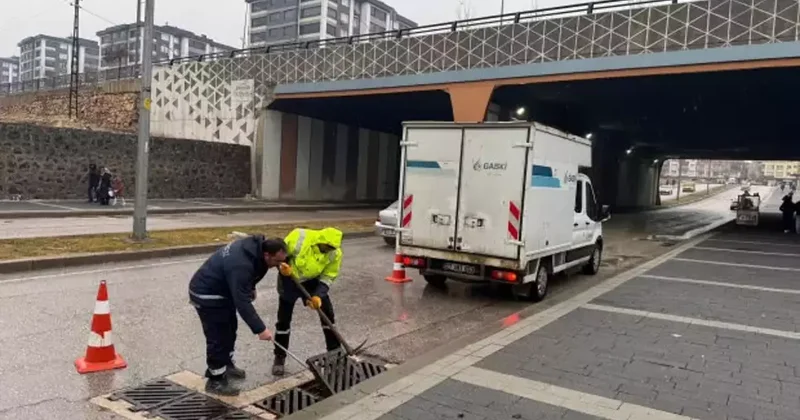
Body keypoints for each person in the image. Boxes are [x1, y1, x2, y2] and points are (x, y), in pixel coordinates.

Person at [189, 235, 288, 396]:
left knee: (230, 328)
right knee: (218, 335)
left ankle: (227, 364)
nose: (279, 266)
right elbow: (242, 303)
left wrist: (251, 286)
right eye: (277, 261)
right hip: (207, 294)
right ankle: (215, 380)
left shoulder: (256, 250)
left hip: (224, 291)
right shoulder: (241, 265)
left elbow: (252, 274)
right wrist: (260, 329)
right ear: (267, 255)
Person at [272, 227, 343, 376]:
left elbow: (328, 276)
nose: (328, 250)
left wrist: (318, 295)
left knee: (327, 315)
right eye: (326, 247)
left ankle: (335, 353)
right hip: (289, 280)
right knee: (283, 321)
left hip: (312, 282)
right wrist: (282, 267)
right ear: (320, 241)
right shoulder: (299, 237)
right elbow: (280, 255)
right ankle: (279, 357)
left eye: (332, 248)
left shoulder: (334, 254)